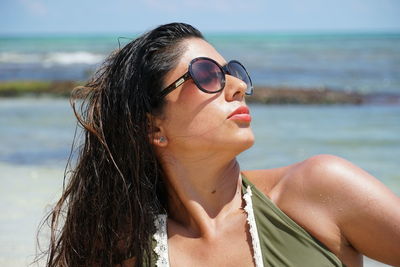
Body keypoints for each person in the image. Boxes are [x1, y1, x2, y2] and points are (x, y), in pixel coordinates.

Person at [41, 22, 400, 267]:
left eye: (232, 72)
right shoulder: (126, 250)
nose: (238, 86)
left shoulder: (319, 189)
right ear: (155, 128)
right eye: (206, 74)